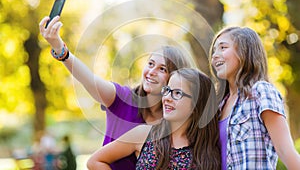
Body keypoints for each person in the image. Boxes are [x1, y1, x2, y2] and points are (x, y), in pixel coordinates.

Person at [39, 16, 191, 169]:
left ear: (175, 77)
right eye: (150, 64)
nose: (151, 71)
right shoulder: (122, 98)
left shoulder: (174, 119)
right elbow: (88, 80)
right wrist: (61, 51)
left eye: (162, 69)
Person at [86, 68, 221, 170]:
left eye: (177, 93)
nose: (167, 97)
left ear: (197, 104)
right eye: (167, 90)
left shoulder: (208, 154)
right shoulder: (144, 134)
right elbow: (95, 161)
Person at [209, 26, 300, 169]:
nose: (214, 55)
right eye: (214, 50)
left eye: (223, 47)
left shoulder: (260, 92)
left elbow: (286, 151)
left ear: (244, 52)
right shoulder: (219, 106)